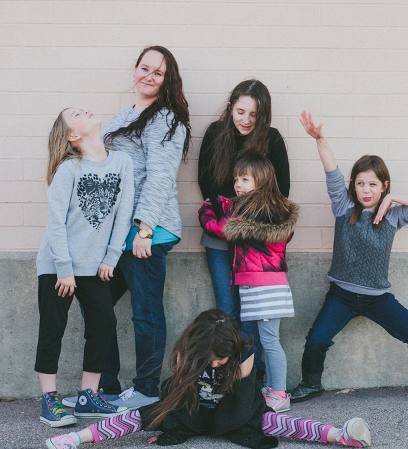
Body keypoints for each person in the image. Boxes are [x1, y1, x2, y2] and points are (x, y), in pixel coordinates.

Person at [288, 112, 408, 404]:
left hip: (378, 298)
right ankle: (310, 383)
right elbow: (332, 171)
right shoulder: (343, 206)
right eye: (360, 184)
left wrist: (393, 199)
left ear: (384, 186)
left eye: (373, 185)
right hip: (341, 296)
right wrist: (320, 138)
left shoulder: (393, 215)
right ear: (353, 186)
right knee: (316, 340)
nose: (366, 190)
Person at [44, 309, 371, 449]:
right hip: (191, 407)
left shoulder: (244, 352)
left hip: (237, 409)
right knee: (137, 416)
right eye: (209, 359)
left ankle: (342, 436)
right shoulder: (190, 351)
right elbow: (178, 393)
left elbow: (241, 397)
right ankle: (72, 440)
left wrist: (239, 423)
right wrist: (172, 422)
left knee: (280, 422)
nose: (215, 364)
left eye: (220, 359)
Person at [62, 46, 191, 411]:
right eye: (145, 68)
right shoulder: (125, 115)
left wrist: (145, 229)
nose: (149, 76)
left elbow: (161, 177)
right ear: (134, 70)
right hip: (120, 235)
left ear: (168, 81)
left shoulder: (165, 119)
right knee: (95, 304)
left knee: (146, 310)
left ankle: (147, 388)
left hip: (148, 232)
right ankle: (106, 388)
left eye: (158, 73)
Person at [35, 108, 134, 427]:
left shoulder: (122, 162)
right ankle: (49, 401)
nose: (85, 111)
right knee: (53, 327)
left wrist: (112, 257)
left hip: (93, 266)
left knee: (103, 323)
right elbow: (56, 223)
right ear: (73, 136)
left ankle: (87, 396)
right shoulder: (68, 170)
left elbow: (124, 213)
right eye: (76, 114)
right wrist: (64, 268)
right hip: (57, 264)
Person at [197, 80, 290, 375]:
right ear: (230, 107)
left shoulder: (272, 140)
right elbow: (207, 185)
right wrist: (228, 222)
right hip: (220, 236)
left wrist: (249, 225)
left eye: (254, 114)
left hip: (255, 245)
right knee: (227, 308)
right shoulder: (215, 134)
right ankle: (226, 372)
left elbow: (280, 191)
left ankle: (252, 375)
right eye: (240, 111)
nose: (246, 120)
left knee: (253, 314)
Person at [198, 156, 299, 412]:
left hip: (265, 285)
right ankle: (272, 389)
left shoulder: (258, 212)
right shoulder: (259, 207)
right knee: (261, 339)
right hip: (257, 284)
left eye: (244, 179)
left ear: (261, 181)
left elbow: (221, 227)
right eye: (236, 179)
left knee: (270, 341)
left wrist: (206, 209)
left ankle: (279, 393)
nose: (237, 184)